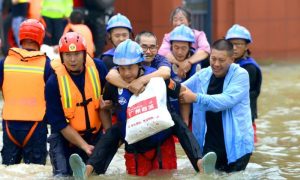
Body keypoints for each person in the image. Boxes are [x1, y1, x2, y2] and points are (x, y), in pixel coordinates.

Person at [69, 39, 217, 179]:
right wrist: (109, 130)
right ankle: (87, 171)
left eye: (130, 68)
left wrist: (194, 102)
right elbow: (104, 107)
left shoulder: (157, 78)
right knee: (113, 132)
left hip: (161, 140)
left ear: (140, 64)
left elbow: (180, 92)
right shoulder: (113, 84)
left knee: (175, 120)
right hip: (135, 145)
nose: (126, 73)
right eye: (122, 68)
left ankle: (200, 163)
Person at [180, 39, 254, 173]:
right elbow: (182, 88)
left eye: (221, 60)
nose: (216, 64)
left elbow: (225, 101)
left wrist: (195, 97)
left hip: (236, 146)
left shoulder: (241, 75)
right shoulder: (204, 74)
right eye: (213, 59)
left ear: (232, 59)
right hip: (210, 145)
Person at [45, 32, 109, 176]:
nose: (72, 59)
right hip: (64, 138)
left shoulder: (98, 67)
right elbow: (59, 123)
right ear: (61, 56)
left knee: (97, 174)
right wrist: (84, 146)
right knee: (62, 176)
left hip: (94, 134)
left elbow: (110, 96)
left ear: (84, 54)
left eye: (77, 54)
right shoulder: (53, 82)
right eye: (67, 55)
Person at [0, 19, 51, 165]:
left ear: (20, 37)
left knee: (10, 170)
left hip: (10, 126)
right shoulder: (47, 65)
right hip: (36, 126)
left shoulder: (4, 63)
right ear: (40, 38)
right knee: (35, 171)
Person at [225, 24, 262, 143]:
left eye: (238, 44)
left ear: (246, 46)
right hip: (230, 118)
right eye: (231, 44)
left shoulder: (249, 68)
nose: (234, 48)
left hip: (244, 120)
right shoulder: (225, 64)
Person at [106, 31, 171, 95]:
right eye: (144, 47)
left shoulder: (159, 59)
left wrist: (140, 81)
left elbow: (165, 73)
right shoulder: (128, 60)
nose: (148, 52)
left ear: (157, 48)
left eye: (152, 47)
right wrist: (129, 86)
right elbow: (110, 76)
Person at [168, 24, 205, 126]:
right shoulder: (164, 61)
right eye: (176, 47)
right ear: (171, 46)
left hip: (196, 114)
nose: (179, 52)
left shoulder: (200, 60)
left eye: (184, 48)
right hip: (170, 114)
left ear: (190, 46)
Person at [158, 6, 210, 78]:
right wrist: (180, 64)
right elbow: (162, 52)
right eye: (175, 20)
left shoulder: (199, 34)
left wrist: (188, 61)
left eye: (181, 19)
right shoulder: (168, 36)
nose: (178, 23)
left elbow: (205, 50)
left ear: (189, 21)